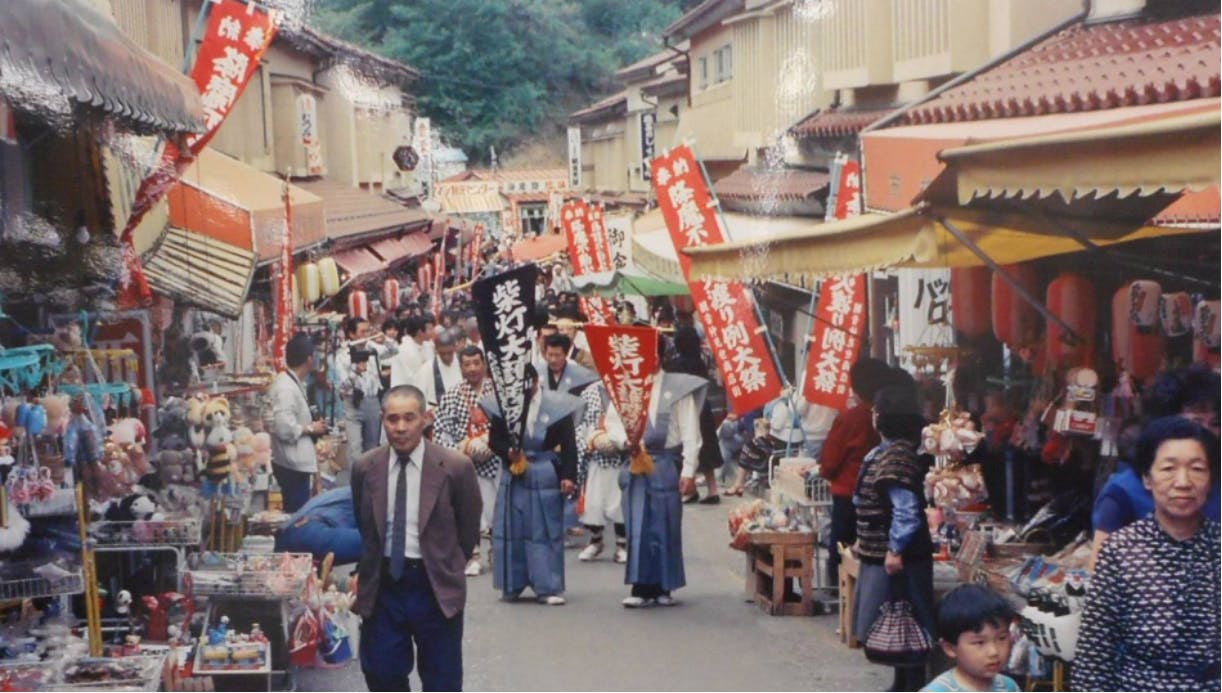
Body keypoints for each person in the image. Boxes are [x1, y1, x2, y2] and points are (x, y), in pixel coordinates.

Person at [1072, 416, 1220, 692]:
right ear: (1147, 478)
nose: (1183, 482)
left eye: (1197, 469)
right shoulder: (1121, 551)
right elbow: (1093, 658)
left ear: (1211, 480)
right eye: (1168, 468)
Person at [351, 385, 482, 692]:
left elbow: (468, 528)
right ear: (382, 420)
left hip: (434, 585)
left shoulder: (455, 467)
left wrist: (448, 564)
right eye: (392, 419)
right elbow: (365, 524)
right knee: (382, 674)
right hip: (384, 586)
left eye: (409, 418)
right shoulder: (365, 467)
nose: (400, 427)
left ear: (425, 419)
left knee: (442, 681)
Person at [1089, 365, 1221, 568]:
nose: (1209, 432)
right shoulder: (1124, 492)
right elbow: (1101, 571)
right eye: (1196, 421)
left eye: (1216, 423)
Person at [853, 383, 935, 692]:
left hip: (902, 557)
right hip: (881, 551)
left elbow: (906, 510)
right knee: (897, 614)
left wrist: (895, 549)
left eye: (876, 411)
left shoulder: (896, 456)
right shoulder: (888, 451)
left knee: (909, 616)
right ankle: (902, 682)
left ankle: (912, 684)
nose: (873, 415)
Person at [484, 365, 581, 605]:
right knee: (512, 528)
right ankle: (513, 583)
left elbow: (569, 444)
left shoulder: (557, 406)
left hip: (544, 469)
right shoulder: (504, 404)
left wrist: (568, 476)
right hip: (515, 469)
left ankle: (547, 586)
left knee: (544, 530)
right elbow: (494, 440)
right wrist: (508, 451)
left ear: (537, 381)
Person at [620, 361, 705, 608]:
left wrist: (688, 470)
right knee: (638, 524)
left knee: (665, 524)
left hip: (665, 462)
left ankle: (664, 586)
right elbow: (612, 423)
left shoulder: (677, 388)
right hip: (637, 461)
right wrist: (624, 442)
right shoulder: (627, 385)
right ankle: (640, 586)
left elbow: (691, 432)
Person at [820, 358, 893, 589]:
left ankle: (839, 590)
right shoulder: (888, 417)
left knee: (842, 546)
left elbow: (830, 460)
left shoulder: (850, 418)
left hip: (848, 492)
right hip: (883, 493)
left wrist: (826, 473)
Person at [433, 346, 499, 577]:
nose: (472, 369)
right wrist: (461, 449)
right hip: (466, 463)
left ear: (484, 365)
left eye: (476, 363)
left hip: (496, 459)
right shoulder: (452, 395)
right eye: (467, 364)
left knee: (498, 509)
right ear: (460, 368)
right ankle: (473, 554)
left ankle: (498, 552)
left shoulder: (498, 392)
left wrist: (492, 442)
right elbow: (441, 432)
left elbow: (510, 424)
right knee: (469, 510)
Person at [921, 584, 1019, 692]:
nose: (993, 651)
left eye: (1002, 638)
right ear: (950, 648)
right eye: (979, 642)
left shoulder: (1009, 686)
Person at [665, 325, 723, 504]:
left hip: (685, 410)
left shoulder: (676, 365)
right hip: (703, 409)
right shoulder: (700, 362)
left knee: (688, 449)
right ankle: (712, 490)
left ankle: (690, 490)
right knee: (706, 450)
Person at [269, 333, 326, 513]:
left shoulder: (293, 382)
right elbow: (283, 427)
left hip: (295, 462)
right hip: (291, 465)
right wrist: (311, 428)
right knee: (296, 515)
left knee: (299, 512)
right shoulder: (286, 387)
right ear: (309, 359)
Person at [576, 382, 629, 564]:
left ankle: (622, 544)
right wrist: (591, 440)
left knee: (619, 503)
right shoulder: (589, 393)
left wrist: (620, 440)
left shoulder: (628, 389)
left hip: (620, 456)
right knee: (593, 503)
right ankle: (596, 540)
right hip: (595, 456)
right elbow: (580, 424)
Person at [418, 330, 463, 409]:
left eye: (450, 353)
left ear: (455, 347)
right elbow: (420, 397)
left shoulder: (462, 363)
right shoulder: (427, 368)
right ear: (436, 349)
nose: (446, 357)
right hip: (436, 410)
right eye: (442, 353)